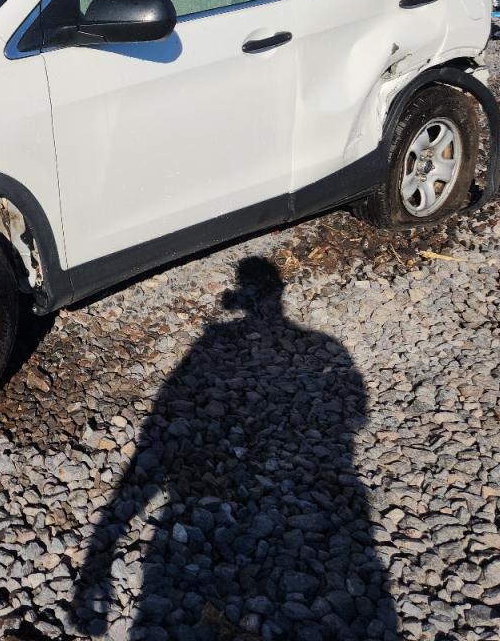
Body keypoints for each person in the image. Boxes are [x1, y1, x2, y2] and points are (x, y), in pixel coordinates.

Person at [72, 256, 398, 640]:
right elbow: (356, 416)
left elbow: (160, 423)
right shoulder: (325, 347)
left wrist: (105, 540)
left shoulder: (214, 341)